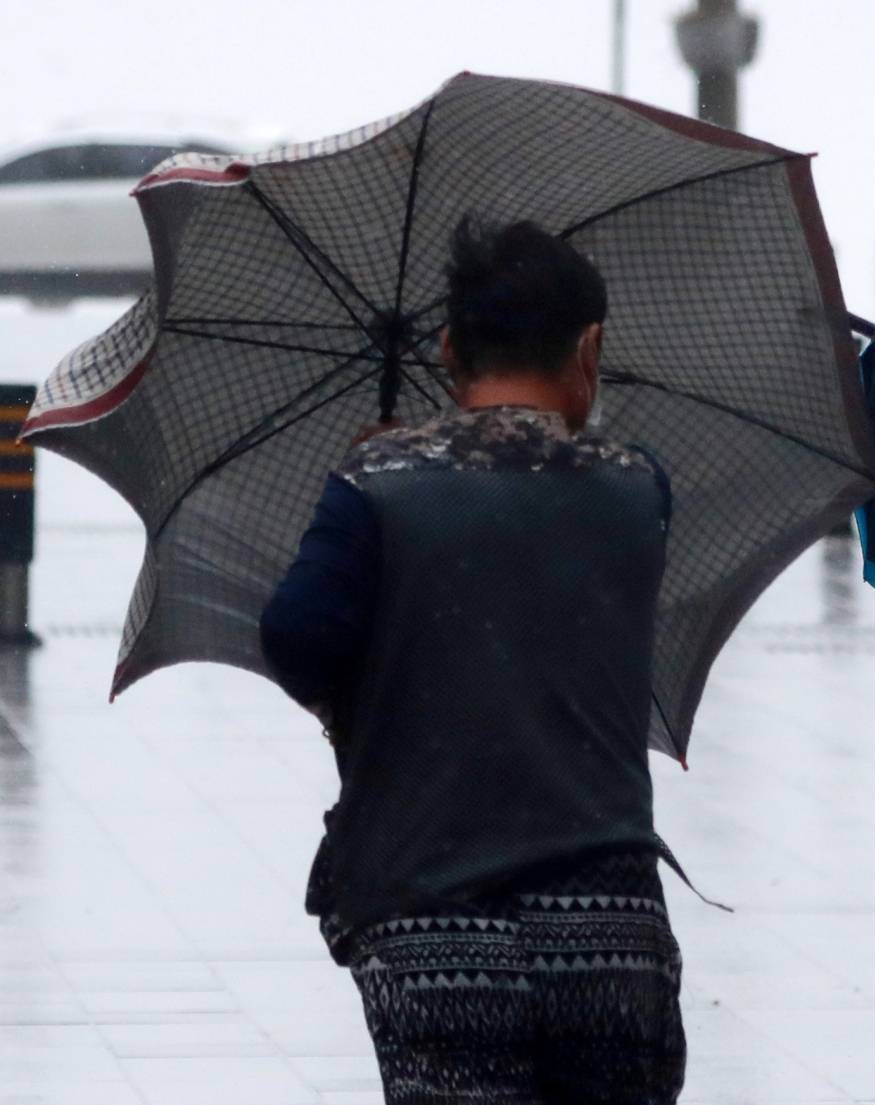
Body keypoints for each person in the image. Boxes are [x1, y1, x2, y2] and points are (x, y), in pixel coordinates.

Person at [260, 218, 685, 1104]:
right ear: (590, 347)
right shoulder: (639, 486)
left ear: (449, 347)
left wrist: (372, 474)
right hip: (608, 914)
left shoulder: (376, 487)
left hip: (431, 906)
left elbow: (298, 640)